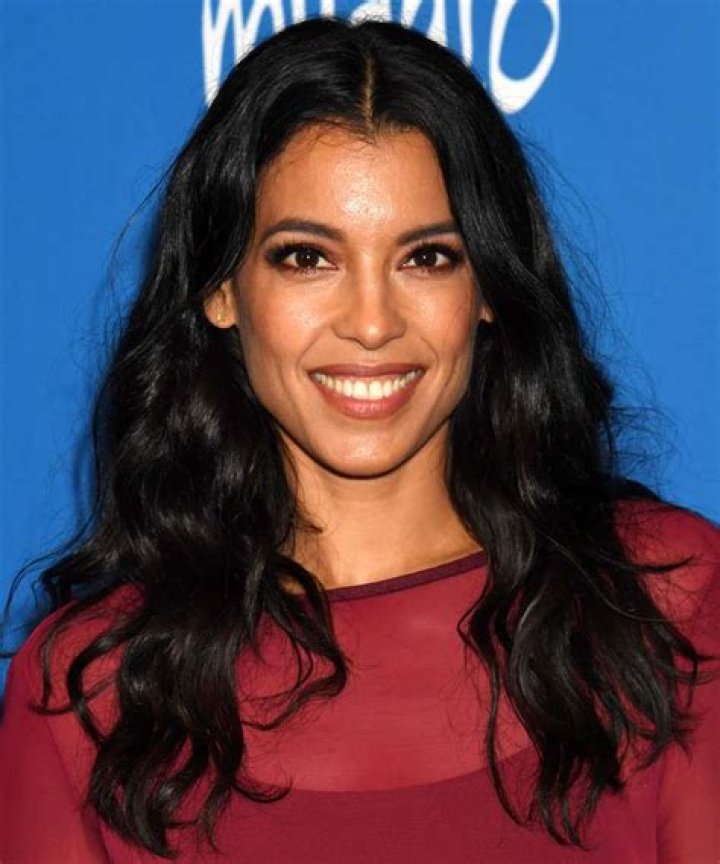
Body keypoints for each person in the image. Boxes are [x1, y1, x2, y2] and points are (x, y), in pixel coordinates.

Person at [0, 16, 718, 864]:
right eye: (307, 258)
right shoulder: (93, 693)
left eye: (427, 258)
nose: (372, 323)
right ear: (222, 289)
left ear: (489, 288)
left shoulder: (667, 605)